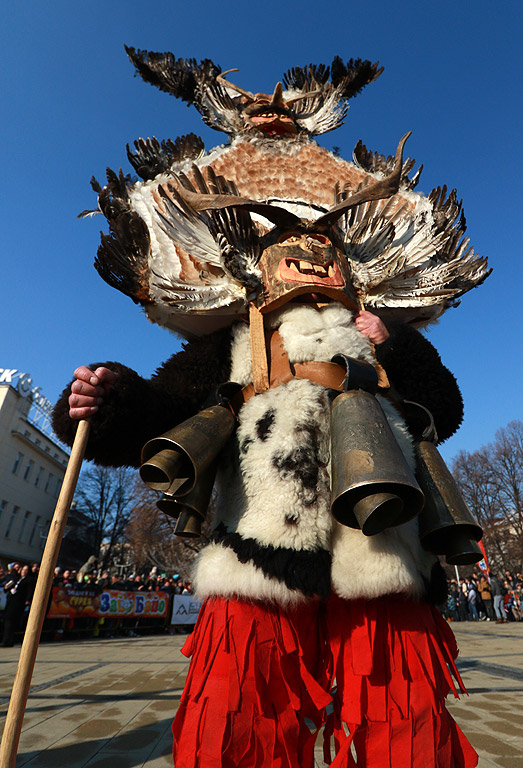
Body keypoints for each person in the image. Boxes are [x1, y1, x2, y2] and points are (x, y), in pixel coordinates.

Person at [2, 564, 32, 647]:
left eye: (26, 570)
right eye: (23, 570)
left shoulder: (28, 580)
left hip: (18, 603)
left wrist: (27, 600)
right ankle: (6, 640)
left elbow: (29, 591)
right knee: (8, 621)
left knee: (12, 622)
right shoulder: (16, 578)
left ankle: (8, 640)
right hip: (11, 601)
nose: (24, 572)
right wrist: (7, 587)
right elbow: (7, 587)